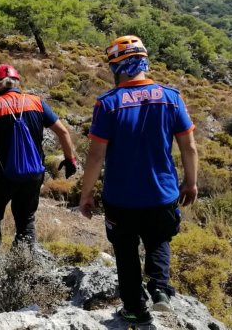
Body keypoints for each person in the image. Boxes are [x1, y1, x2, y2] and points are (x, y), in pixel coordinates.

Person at [79, 35, 199, 325]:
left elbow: (96, 156)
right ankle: (160, 289)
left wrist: (86, 193)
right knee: (159, 240)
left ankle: (135, 308)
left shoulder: (108, 104)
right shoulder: (171, 97)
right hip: (163, 193)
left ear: (116, 66)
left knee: (125, 252)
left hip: (121, 198)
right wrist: (191, 183)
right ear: (145, 61)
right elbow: (189, 147)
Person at [0, 64, 78, 270]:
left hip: (2, 176)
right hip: (33, 175)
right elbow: (63, 132)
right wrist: (70, 160)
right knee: (26, 219)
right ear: (18, 82)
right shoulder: (37, 102)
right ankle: (24, 264)